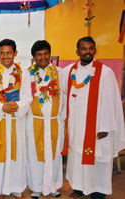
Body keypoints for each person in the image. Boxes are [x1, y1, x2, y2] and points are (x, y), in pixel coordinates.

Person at [60, 36, 125, 199]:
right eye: (84, 48)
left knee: (97, 160)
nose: (87, 52)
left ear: (95, 50)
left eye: (90, 48)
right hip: (76, 126)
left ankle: (98, 191)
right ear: (77, 51)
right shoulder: (69, 72)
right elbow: (61, 95)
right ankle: (79, 188)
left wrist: (105, 127)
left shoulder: (105, 73)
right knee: (77, 157)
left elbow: (112, 102)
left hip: (97, 126)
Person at [0, 39, 32, 199]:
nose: (5, 56)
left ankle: (16, 188)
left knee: (16, 153)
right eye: (2, 53)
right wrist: (1, 107)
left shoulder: (24, 73)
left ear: (15, 53)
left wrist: (17, 106)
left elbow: (28, 96)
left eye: (9, 52)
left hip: (16, 121)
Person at [26, 40, 64, 199]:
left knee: (54, 153)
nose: (43, 57)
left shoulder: (60, 73)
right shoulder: (27, 74)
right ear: (34, 57)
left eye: (45, 54)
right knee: (34, 154)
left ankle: (53, 186)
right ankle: (36, 186)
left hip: (55, 121)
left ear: (50, 55)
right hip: (34, 121)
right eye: (39, 54)